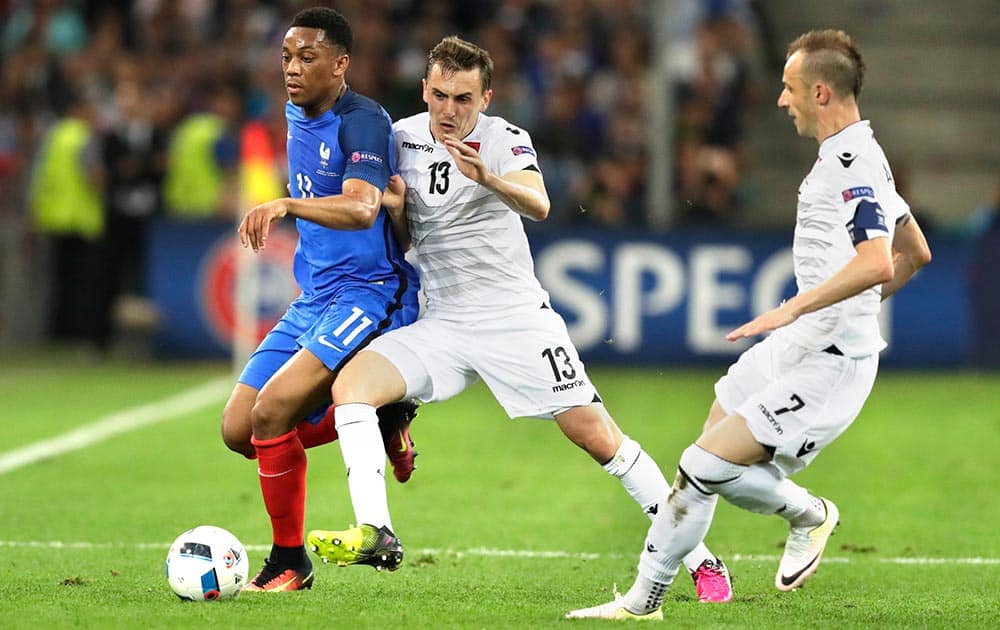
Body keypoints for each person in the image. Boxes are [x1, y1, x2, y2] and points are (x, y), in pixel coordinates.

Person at [304, 35, 734, 604]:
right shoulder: (401, 138)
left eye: (463, 98)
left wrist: (489, 179)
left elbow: (539, 203)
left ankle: (703, 562)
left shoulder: (506, 140)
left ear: (486, 96)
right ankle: (376, 530)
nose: (449, 111)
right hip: (445, 321)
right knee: (351, 387)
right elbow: (408, 237)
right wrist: (395, 209)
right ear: (424, 91)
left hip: (514, 320)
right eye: (439, 96)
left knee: (597, 436)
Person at [566, 29, 932, 620]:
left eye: (788, 90)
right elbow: (916, 253)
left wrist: (797, 308)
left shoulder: (852, 163)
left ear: (819, 91)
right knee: (704, 461)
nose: (781, 102)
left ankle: (809, 514)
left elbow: (877, 261)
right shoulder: (860, 153)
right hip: (799, 344)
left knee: (703, 466)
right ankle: (644, 603)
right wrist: (834, 310)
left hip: (830, 362)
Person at [220, 7, 421, 593]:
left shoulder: (361, 122)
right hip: (317, 296)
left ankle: (289, 562)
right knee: (241, 429)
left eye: (308, 57)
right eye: (286, 56)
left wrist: (284, 205)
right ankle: (385, 414)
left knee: (272, 412)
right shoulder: (292, 111)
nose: (292, 68)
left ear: (341, 64)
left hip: (372, 292)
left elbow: (361, 207)